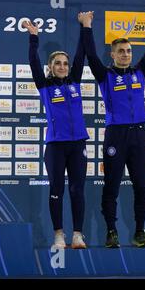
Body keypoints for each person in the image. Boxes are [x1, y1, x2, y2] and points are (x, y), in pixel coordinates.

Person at [79, 0, 145, 248]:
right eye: (121, 51)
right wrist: (86, 26)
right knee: (112, 185)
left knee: (143, 186)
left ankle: (139, 231)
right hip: (115, 135)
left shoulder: (139, 71)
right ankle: (112, 231)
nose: (126, 54)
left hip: (139, 135)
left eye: (128, 51)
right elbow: (91, 54)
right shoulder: (105, 75)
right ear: (113, 55)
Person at [22, 18, 89, 249]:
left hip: (78, 143)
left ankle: (77, 235)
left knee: (78, 189)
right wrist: (33, 37)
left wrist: (84, 26)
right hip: (56, 145)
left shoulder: (75, 82)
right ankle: (59, 234)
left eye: (65, 64)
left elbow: (81, 54)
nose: (62, 66)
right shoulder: (45, 86)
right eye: (57, 63)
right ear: (50, 67)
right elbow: (33, 61)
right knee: (57, 189)